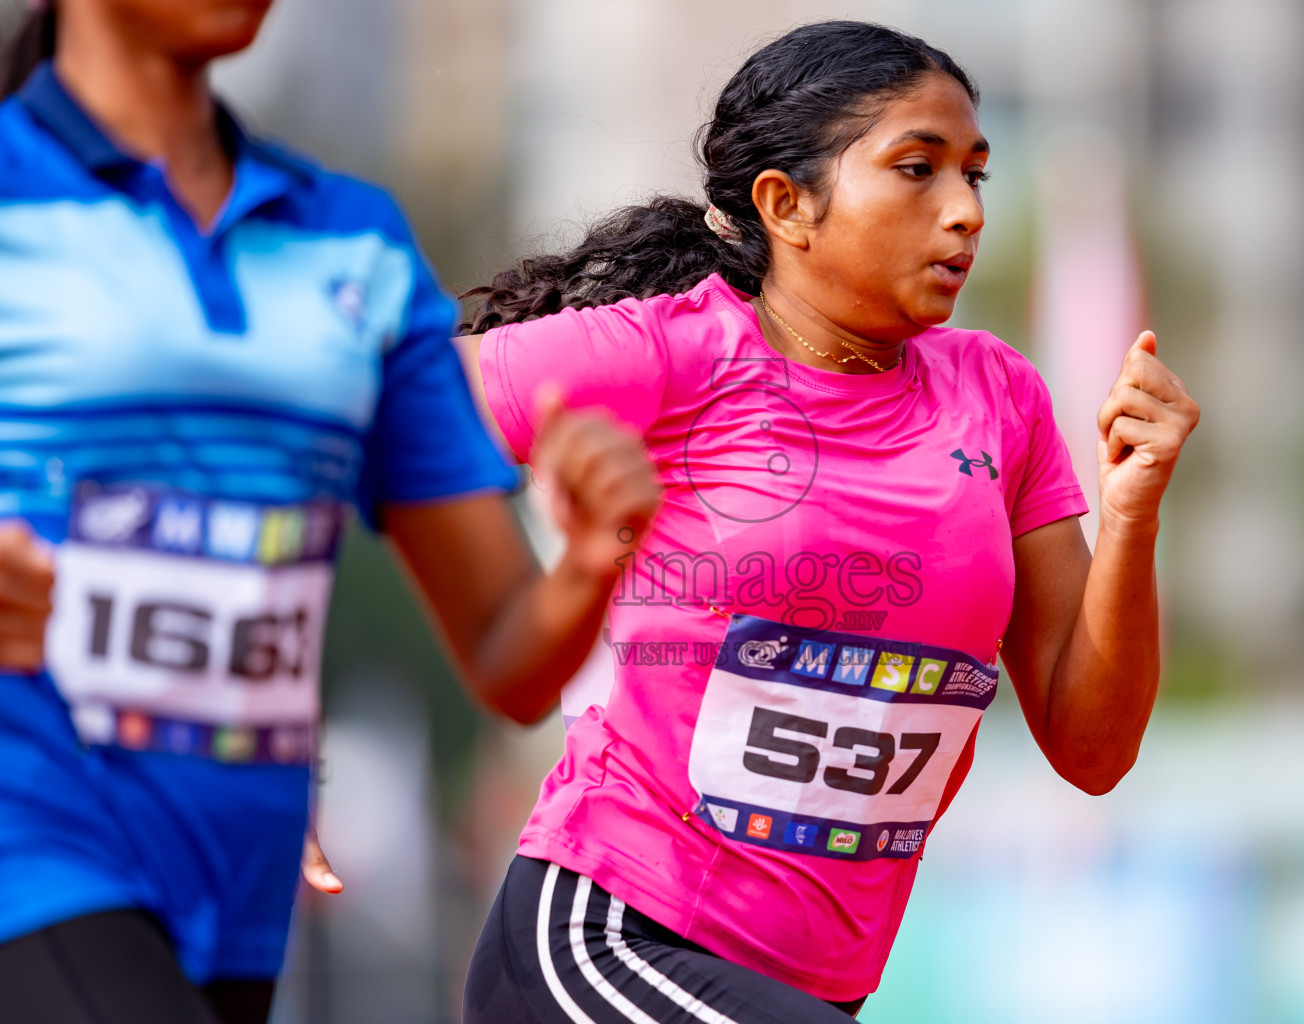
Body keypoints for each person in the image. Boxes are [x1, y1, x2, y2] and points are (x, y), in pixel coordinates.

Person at [456, 20, 1200, 1024]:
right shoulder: (677, 355)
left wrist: (1132, 518)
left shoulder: (998, 398)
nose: (966, 212)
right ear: (787, 204)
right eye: (916, 169)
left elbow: (1092, 747)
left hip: (808, 995)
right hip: (610, 941)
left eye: (976, 175)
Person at [0, 2, 659, 1022]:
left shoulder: (354, 246)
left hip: (239, 895)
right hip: (34, 841)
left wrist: (587, 559)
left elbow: (507, 659)